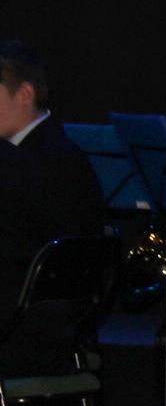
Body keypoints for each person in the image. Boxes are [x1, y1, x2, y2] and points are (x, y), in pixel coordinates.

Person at [0, 41, 106, 375]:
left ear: (24, 94)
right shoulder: (43, 152)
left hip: (31, 324)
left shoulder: (46, 160)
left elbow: (24, 251)